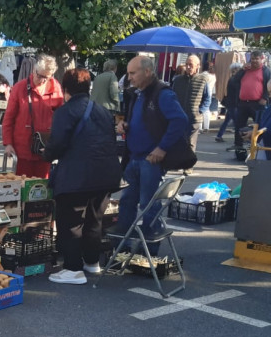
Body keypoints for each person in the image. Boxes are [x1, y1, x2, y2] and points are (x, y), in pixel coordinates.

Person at [41, 69, 122, 285]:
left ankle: (72, 268)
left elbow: (57, 144)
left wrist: (45, 154)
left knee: (71, 221)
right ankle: (92, 262)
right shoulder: (103, 111)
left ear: (66, 89)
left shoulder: (65, 112)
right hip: (105, 175)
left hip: (77, 176)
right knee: (95, 219)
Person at [114, 56, 188, 251]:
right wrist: (124, 124)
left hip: (150, 159)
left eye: (132, 73)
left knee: (149, 206)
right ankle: (122, 249)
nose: (128, 77)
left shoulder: (162, 93)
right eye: (128, 73)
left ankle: (149, 253)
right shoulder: (137, 93)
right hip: (134, 157)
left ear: (147, 72)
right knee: (127, 203)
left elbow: (180, 120)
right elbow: (138, 119)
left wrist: (162, 148)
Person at [2, 55, 64, 178]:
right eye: (38, 75)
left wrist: (57, 143)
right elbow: (9, 118)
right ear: (34, 70)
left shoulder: (55, 88)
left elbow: (61, 118)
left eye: (45, 77)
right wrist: (8, 143)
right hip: (22, 148)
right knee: (22, 186)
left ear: (51, 75)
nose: (41, 80)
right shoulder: (20, 88)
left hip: (44, 148)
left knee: (42, 188)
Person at [232, 51, 271, 149]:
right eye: (253, 59)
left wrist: (264, 98)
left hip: (258, 103)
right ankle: (238, 146)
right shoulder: (246, 70)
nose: (254, 61)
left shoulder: (266, 71)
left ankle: (259, 146)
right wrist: (242, 70)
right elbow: (234, 81)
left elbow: (270, 85)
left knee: (259, 126)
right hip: (243, 103)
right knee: (239, 126)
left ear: (261, 59)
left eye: (257, 59)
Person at [171, 55, 207, 151]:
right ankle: (178, 163)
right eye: (187, 64)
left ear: (197, 66)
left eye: (191, 65)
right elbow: (172, 96)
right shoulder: (178, 80)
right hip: (179, 117)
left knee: (190, 143)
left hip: (194, 118)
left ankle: (189, 165)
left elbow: (207, 98)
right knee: (178, 142)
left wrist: (200, 111)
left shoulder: (203, 80)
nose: (188, 67)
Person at [216, 63, 244, 143]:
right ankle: (240, 136)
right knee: (236, 122)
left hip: (230, 103)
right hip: (234, 103)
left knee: (227, 120)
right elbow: (236, 93)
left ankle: (219, 135)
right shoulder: (235, 80)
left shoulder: (231, 79)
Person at [199, 66, 216, 133]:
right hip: (210, 93)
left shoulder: (205, 75)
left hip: (203, 93)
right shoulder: (214, 76)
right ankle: (206, 127)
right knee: (206, 110)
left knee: (201, 110)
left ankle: (200, 127)